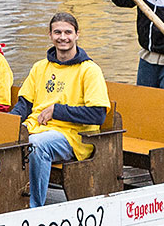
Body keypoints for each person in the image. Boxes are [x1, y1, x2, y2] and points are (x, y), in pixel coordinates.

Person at [11, 11, 110, 208]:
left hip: (73, 136)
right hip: (36, 128)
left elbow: (98, 115)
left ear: (77, 34)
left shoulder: (89, 70)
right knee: (3, 141)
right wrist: (6, 125)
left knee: (36, 145)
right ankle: (8, 202)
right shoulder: (40, 67)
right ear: (50, 35)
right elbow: (24, 104)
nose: (62, 37)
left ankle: (33, 208)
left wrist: (57, 111)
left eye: (68, 32)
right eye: (57, 32)